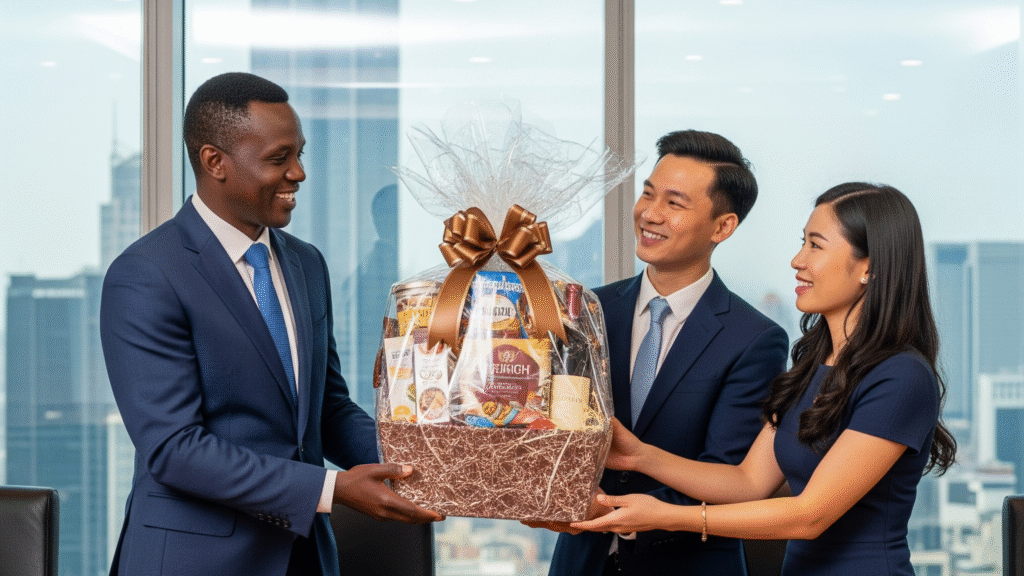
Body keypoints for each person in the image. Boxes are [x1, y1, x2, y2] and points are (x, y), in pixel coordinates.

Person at [100, 72, 440, 576]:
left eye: (299, 154)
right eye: (279, 159)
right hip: (196, 562)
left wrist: (434, 463)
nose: (298, 173)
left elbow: (328, 410)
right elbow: (174, 449)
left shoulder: (306, 263)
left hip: (304, 557)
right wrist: (330, 488)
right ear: (215, 162)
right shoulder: (146, 274)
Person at [572, 183, 957, 576]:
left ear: (869, 268)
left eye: (816, 245)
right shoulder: (814, 365)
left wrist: (668, 516)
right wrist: (640, 456)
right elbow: (748, 481)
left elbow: (810, 516)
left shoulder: (901, 376)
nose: (797, 260)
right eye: (802, 243)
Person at [543, 131, 789, 576]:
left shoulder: (754, 338)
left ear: (722, 226)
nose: (650, 213)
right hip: (580, 562)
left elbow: (730, 475)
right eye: (648, 193)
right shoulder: (587, 312)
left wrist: (613, 510)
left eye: (674, 203)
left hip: (689, 564)